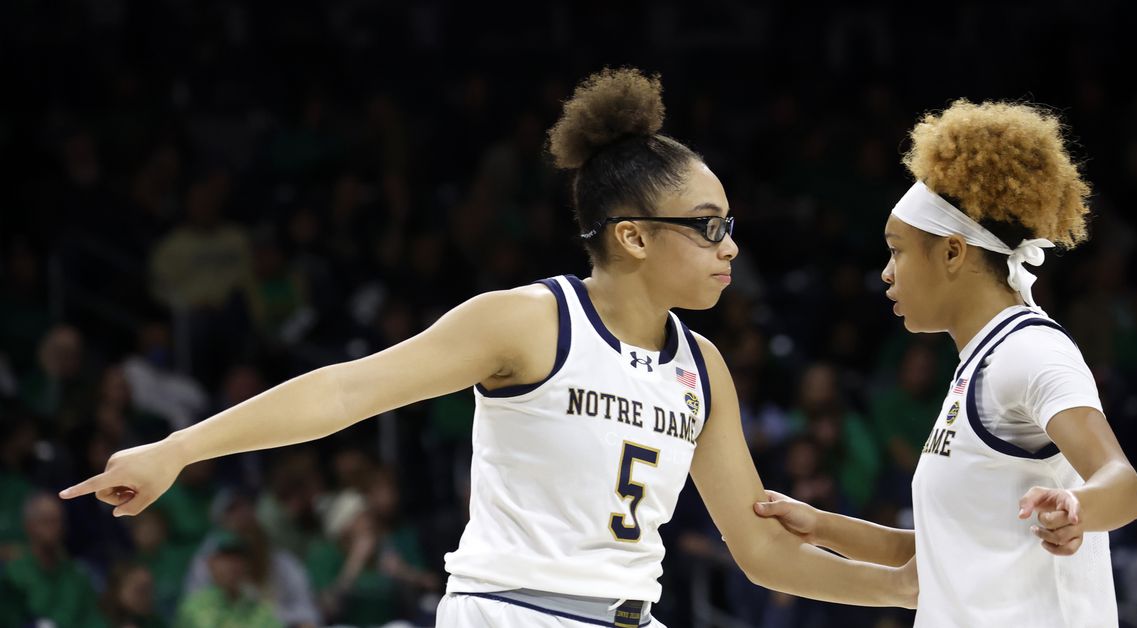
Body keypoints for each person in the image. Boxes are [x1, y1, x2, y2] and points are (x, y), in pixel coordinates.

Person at [60, 68, 915, 626]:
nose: (731, 246)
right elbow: (345, 392)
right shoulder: (527, 321)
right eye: (708, 226)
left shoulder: (706, 366)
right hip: (513, 612)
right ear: (633, 237)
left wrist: (910, 588)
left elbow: (761, 548)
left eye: (731, 225)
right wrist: (178, 448)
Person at [754, 100, 1137, 627]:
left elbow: (1122, 484)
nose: (886, 274)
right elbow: (949, 554)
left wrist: (1080, 508)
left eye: (897, 251)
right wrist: (821, 527)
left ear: (954, 253)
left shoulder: (1031, 350)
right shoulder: (978, 363)